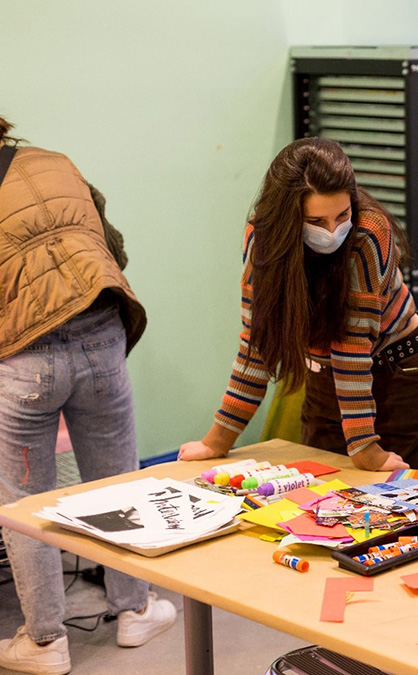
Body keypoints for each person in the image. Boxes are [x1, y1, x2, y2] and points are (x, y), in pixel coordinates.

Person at [0, 116, 176, 675]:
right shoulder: (53, 160)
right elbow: (112, 248)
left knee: (24, 504)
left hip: (25, 360)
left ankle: (46, 643)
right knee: (116, 481)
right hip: (101, 330)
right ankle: (136, 610)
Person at [178, 138, 418, 476]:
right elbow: (256, 344)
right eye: (317, 222)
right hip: (328, 380)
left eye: (342, 215)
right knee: (320, 507)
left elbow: (352, 347)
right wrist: (217, 441)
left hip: (399, 377)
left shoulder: (369, 234)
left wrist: (365, 450)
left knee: (397, 510)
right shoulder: (263, 240)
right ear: (287, 217)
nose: (333, 231)